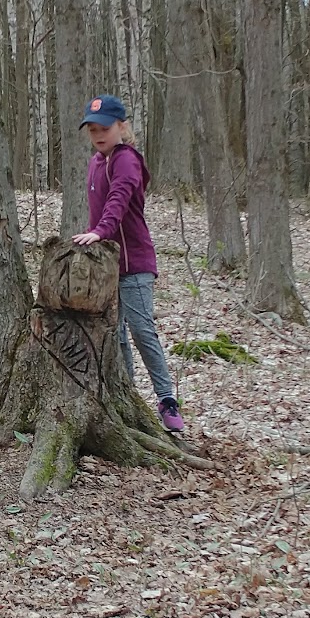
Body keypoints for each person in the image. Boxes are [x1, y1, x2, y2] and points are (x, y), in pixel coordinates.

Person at [72, 95, 187, 436]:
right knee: (115, 334)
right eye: (92, 130)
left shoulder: (126, 160)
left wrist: (99, 232)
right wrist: (97, 239)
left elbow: (118, 201)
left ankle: (167, 400)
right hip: (107, 266)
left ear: (122, 126)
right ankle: (126, 394)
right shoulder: (96, 161)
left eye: (104, 128)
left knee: (141, 331)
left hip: (134, 263)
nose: (98, 135)